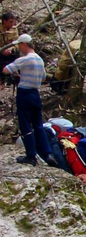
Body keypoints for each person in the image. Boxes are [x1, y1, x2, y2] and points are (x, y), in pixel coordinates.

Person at [2, 34, 54, 166]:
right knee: (38, 125)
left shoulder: (24, 59)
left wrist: (16, 73)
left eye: (19, 45)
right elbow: (43, 78)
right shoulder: (39, 60)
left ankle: (31, 155)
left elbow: (6, 70)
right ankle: (47, 153)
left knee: (25, 124)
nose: (19, 48)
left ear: (24, 45)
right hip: (36, 94)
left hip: (24, 93)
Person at [1, 11, 19, 86]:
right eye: (10, 22)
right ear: (4, 21)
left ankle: (13, 77)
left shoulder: (14, 29)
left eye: (13, 22)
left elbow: (17, 43)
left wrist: (11, 49)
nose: (12, 24)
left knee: (17, 53)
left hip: (10, 52)